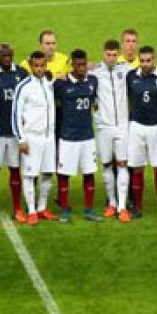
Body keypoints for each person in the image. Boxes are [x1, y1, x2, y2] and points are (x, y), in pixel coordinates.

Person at [0, 43, 29, 225]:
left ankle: (18, 208)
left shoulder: (22, 74)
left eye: (9, 55)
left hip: (16, 133)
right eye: (3, 55)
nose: (7, 58)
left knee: (15, 171)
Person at [54, 50, 101, 223]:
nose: (82, 68)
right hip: (68, 137)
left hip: (88, 136)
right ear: (72, 65)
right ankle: (65, 209)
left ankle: (89, 209)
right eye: (78, 65)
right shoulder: (61, 85)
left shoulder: (93, 81)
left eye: (84, 64)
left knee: (89, 173)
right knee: (64, 174)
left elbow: (95, 102)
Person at [125, 47, 157, 220]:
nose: (145, 64)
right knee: (137, 168)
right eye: (142, 61)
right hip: (136, 126)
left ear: (154, 60)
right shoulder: (131, 76)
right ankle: (137, 207)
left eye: (148, 61)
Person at [13, 51, 57, 226]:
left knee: (47, 173)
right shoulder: (23, 86)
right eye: (36, 66)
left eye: (42, 65)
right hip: (32, 137)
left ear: (46, 64)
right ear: (30, 66)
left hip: (49, 137)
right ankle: (31, 210)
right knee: (30, 175)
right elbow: (15, 114)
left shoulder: (49, 83)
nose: (39, 69)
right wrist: (21, 138)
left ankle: (42, 207)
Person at [91, 40, 131, 219]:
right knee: (106, 165)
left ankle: (122, 206)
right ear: (103, 53)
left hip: (122, 125)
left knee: (122, 164)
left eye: (115, 54)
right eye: (108, 54)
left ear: (119, 54)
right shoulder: (95, 72)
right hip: (103, 127)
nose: (111, 58)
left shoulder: (126, 70)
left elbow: (147, 71)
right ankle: (112, 203)